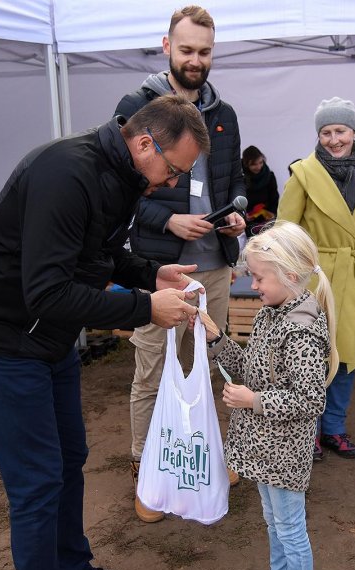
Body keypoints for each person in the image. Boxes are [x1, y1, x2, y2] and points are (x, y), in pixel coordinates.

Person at [0, 95, 210, 570]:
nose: (175, 183)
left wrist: (148, 273)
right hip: (1, 339)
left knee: (70, 458)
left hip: (48, 338)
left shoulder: (124, 175)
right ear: (142, 142)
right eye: (174, 169)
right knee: (37, 482)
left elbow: (104, 251)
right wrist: (144, 308)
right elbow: (46, 290)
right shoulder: (65, 172)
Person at [114, 5, 246, 524]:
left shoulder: (225, 113)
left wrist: (236, 217)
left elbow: (234, 179)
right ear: (166, 46)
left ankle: (206, 457)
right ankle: (146, 469)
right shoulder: (136, 105)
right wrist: (167, 224)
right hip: (160, 266)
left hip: (213, 265)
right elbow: (122, 188)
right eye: (187, 49)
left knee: (210, 364)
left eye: (205, 52)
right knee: (153, 365)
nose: (196, 60)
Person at [197, 221, 337, 570]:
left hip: (284, 451)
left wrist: (254, 401)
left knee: (290, 527)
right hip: (262, 446)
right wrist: (216, 338)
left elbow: (311, 400)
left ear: (290, 275)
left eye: (258, 278)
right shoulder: (269, 313)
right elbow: (250, 371)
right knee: (273, 522)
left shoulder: (301, 330)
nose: (253, 285)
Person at [277, 97, 355, 460]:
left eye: (339, 130)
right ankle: (307, 431)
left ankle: (334, 429)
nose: (333, 139)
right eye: (325, 132)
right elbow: (284, 230)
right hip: (315, 278)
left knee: (347, 359)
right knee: (310, 356)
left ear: (354, 132)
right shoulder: (304, 175)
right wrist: (286, 277)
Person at [242, 145, 279, 235]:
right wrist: (244, 216)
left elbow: (274, 198)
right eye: (254, 164)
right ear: (246, 164)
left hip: (267, 222)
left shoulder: (269, 176)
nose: (258, 167)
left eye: (260, 162)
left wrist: (272, 213)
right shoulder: (240, 179)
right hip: (247, 224)